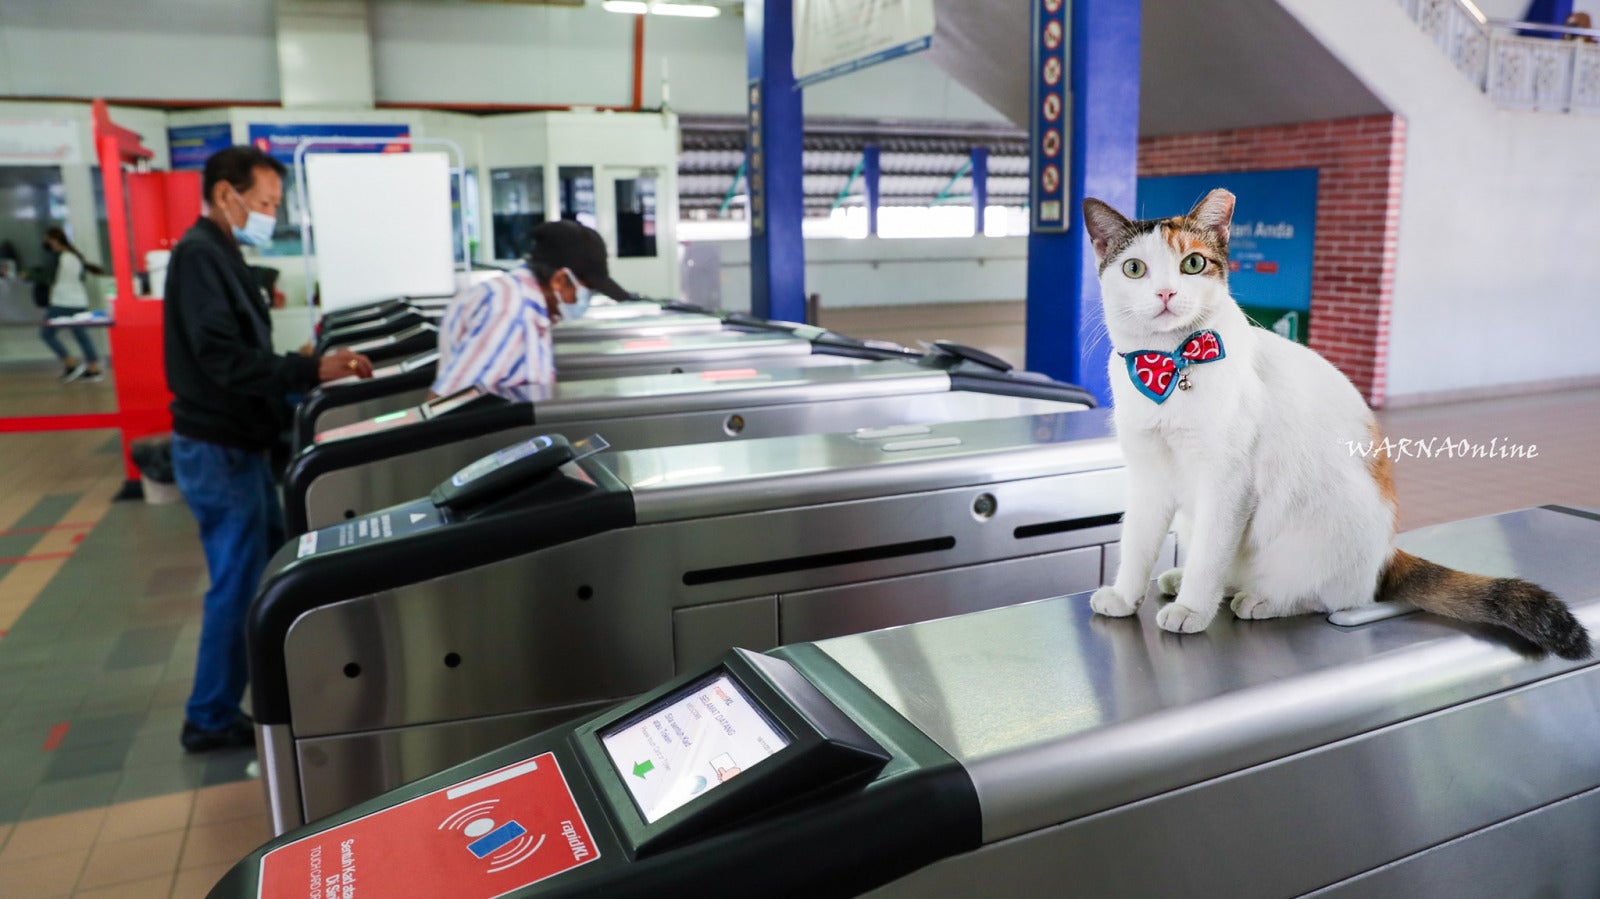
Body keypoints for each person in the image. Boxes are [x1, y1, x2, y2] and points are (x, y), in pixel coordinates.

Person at [164, 145, 375, 752]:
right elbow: (223, 359)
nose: (269, 215)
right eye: (263, 203)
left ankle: (247, 696)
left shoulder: (223, 254)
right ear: (226, 194)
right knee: (235, 584)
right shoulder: (202, 256)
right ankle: (207, 717)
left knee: (255, 579)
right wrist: (307, 371)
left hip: (237, 446)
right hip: (218, 451)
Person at [430, 220, 630, 401]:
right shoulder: (512, 311)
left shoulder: (523, 302)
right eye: (587, 291)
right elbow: (446, 401)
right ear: (560, 280)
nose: (584, 301)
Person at [38, 227, 108, 382]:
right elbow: (79, 278)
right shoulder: (74, 256)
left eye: (46, 239)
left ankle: (71, 364)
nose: (45, 243)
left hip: (62, 302)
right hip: (78, 301)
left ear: (54, 240)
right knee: (81, 335)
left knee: (46, 334)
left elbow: (49, 278)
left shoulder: (58, 257)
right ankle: (93, 369)